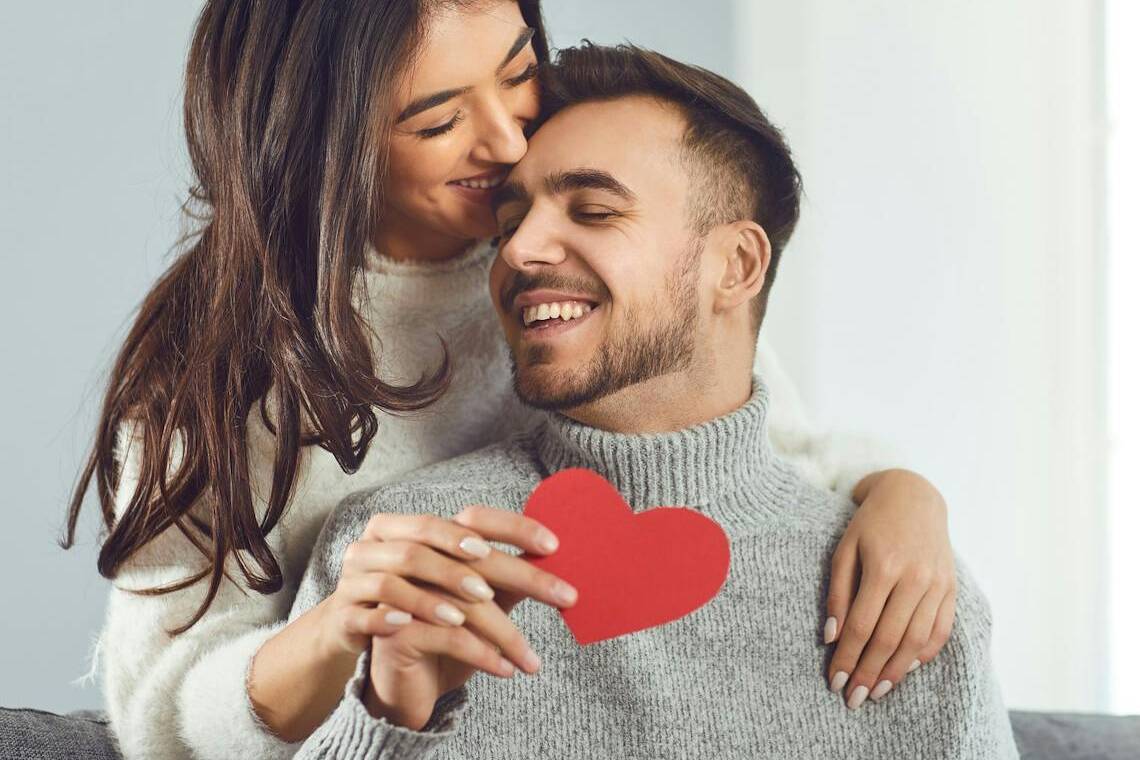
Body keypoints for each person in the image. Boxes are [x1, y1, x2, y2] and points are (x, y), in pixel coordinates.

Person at [17, 2, 949, 759]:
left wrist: (903, 496)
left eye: (517, 72)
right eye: (438, 120)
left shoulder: (599, 278)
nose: (507, 141)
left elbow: (755, 450)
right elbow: (162, 720)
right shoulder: (223, 374)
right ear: (323, 140)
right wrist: (344, 629)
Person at [286, 42, 1018, 759]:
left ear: (737, 265)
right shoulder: (399, 557)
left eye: (594, 211)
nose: (517, 250)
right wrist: (388, 723)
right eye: (510, 223)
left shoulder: (905, 591)